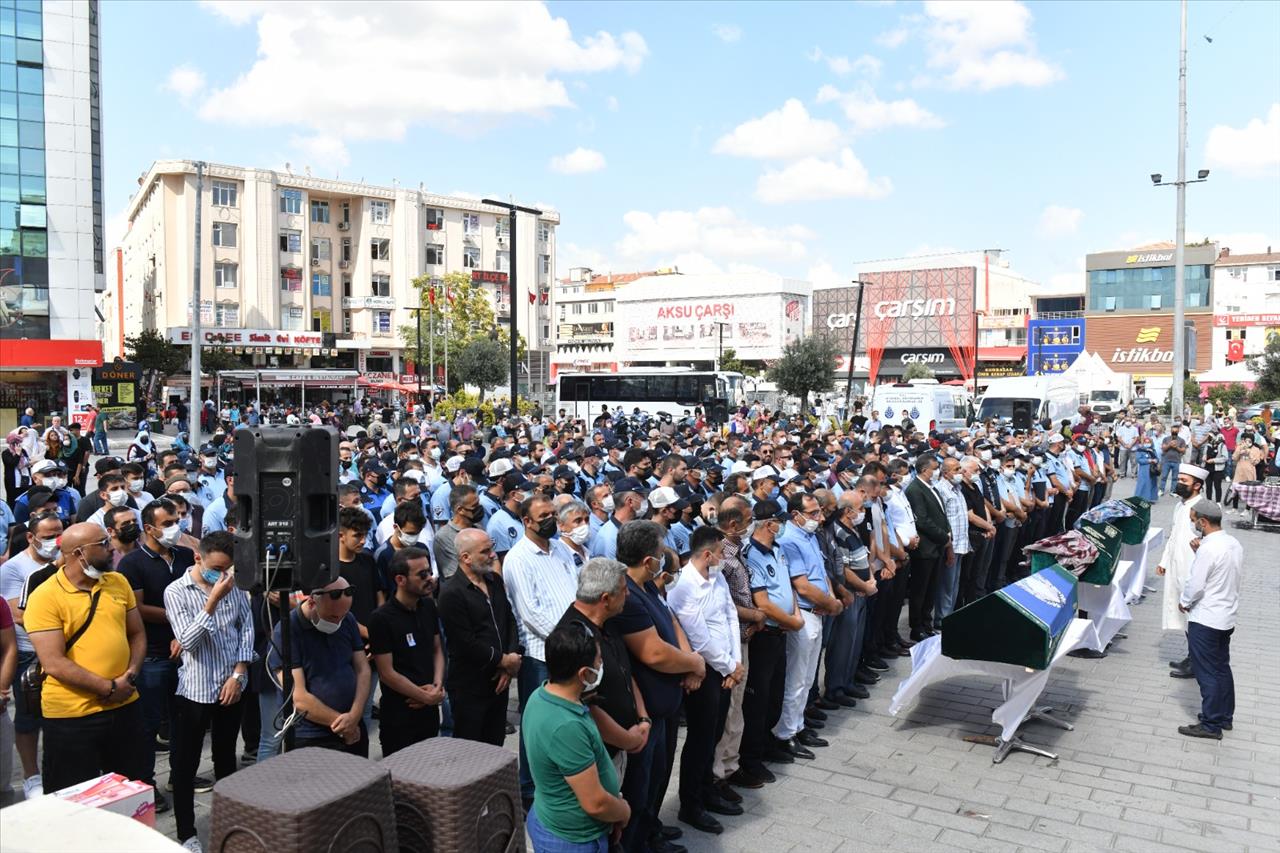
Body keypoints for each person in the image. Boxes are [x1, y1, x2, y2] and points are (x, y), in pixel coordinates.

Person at [23, 522, 149, 793]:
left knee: (133, 789)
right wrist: (108, 687)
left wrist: (130, 676)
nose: (111, 548)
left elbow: (137, 634)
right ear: (79, 554)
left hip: (125, 705)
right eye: (102, 544)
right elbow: (53, 662)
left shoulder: (117, 582)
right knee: (74, 797)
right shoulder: (45, 597)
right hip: (73, 716)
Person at [613, 520, 705, 850]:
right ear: (647, 558)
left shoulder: (649, 586)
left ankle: (651, 830)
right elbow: (652, 652)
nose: (665, 556)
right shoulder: (629, 595)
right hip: (645, 709)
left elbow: (672, 620)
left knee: (658, 778)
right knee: (641, 785)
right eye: (660, 551)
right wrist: (694, 663)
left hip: (665, 703)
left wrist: (688, 657)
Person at [163, 531, 254, 853]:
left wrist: (240, 673)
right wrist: (212, 601)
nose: (223, 575)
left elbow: (247, 627)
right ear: (198, 558)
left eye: (228, 569)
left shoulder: (236, 585)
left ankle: (230, 821)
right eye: (217, 568)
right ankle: (186, 831)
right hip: (196, 688)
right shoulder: (177, 591)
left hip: (231, 682)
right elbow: (187, 641)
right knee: (186, 765)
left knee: (226, 756)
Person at [501, 495, 583, 807]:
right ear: (527, 521)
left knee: (565, 721)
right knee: (536, 725)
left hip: (572, 646)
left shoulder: (561, 547)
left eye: (553, 513)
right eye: (544, 515)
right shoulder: (518, 558)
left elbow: (575, 591)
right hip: (542, 654)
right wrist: (567, 640)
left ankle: (559, 781)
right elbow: (530, 614)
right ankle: (529, 791)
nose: (551, 519)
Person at [522, 623, 631, 852]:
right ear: (584, 673)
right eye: (599, 661)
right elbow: (595, 803)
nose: (602, 665)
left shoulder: (541, 694)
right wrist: (622, 810)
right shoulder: (565, 726)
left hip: (556, 819)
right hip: (572, 840)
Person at [666, 525, 744, 832]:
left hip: (726, 666)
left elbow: (730, 616)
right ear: (707, 553)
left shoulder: (717, 576)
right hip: (706, 670)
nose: (724, 557)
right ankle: (691, 803)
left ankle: (707, 789)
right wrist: (727, 666)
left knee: (714, 734)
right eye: (721, 551)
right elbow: (698, 637)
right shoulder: (684, 586)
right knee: (700, 738)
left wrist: (735, 662)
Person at [119, 497, 195, 801]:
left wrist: (187, 629)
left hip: (187, 652)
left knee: (184, 723)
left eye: (177, 520)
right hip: (153, 655)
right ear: (149, 528)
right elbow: (136, 608)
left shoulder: (186, 556)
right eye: (168, 523)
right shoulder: (132, 563)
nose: (175, 528)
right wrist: (180, 617)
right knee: (148, 725)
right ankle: (145, 785)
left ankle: (181, 777)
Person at [438, 528, 522, 745]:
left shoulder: (493, 580)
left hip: (499, 681)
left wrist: (510, 659)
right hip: (471, 686)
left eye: (491, 549)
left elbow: (509, 619)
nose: (492, 555)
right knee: (472, 749)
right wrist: (502, 660)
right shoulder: (451, 593)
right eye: (485, 551)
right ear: (465, 557)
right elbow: (465, 642)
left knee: (495, 743)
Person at [0, 510, 63, 799]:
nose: (54, 542)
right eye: (48, 537)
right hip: (29, 652)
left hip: (64, 649)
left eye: (59, 534)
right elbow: (17, 614)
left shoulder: (66, 561)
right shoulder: (13, 569)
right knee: (28, 718)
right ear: (30, 537)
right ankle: (31, 776)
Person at [274, 575, 371, 755]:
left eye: (342, 616)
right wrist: (344, 724)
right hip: (311, 736)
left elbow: (362, 669)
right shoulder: (287, 630)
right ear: (311, 603)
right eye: (333, 616)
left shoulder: (347, 620)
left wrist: (356, 714)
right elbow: (299, 697)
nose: (338, 622)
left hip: (353, 727)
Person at [367, 547, 444, 756]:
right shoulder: (381, 619)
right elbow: (387, 673)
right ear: (400, 580)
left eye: (429, 572)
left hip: (429, 711)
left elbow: (437, 649)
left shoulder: (428, 607)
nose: (429, 578)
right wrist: (423, 696)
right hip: (400, 717)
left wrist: (437, 687)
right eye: (422, 574)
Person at [1176, 500, 1241, 739]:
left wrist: (1184, 601)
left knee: (1207, 672)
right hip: (1226, 615)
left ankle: (1211, 723)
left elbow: (1196, 584)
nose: (1194, 525)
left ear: (1203, 522)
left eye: (1195, 521)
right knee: (1221, 667)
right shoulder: (1232, 543)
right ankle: (1225, 716)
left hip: (1206, 617)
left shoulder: (1208, 548)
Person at [1157, 464, 1207, 678]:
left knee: (1194, 616)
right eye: (1179, 479)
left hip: (1193, 569)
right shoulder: (1180, 505)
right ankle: (1191, 657)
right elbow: (1174, 535)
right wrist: (1164, 561)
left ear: (1197, 485)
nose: (1179, 484)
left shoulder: (1204, 507)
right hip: (1177, 566)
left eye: (1184, 481)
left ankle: (1198, 663)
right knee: (1184, 615)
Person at [904, 455, 950, 641]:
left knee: (931, 589)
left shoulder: (931, 488)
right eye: (934, 468)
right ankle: (917, 626)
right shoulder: (915, 489)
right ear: (924, 469)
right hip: (925, 548)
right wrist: (942, 535)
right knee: (920, 590)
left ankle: (926, 621)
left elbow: (939, 514)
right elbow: (922, 520)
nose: (937, 471)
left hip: (936, 548)